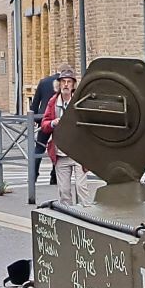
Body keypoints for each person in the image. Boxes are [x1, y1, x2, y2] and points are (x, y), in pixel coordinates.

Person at [42, 67, 93, 207]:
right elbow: (44, 124)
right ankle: (67, 216)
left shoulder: (80, 101)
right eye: (63, 81)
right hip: (60, 152)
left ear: (73, 85)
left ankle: (86, 215)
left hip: (78, 153)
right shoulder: (53, 102)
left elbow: (89, 123)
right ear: (59, 84)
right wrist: (52, 123)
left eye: (69, 82)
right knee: (64, 191)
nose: (66, 84)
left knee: (82, 188)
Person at [30, 69, 59, 184]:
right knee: (58, 148)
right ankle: (54, 176)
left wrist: (33, 118)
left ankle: (33, 175)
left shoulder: (44, 82)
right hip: (59, 118)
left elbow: (35, 103)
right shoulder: (68, 83)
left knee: (39, 147)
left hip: (44, 117)